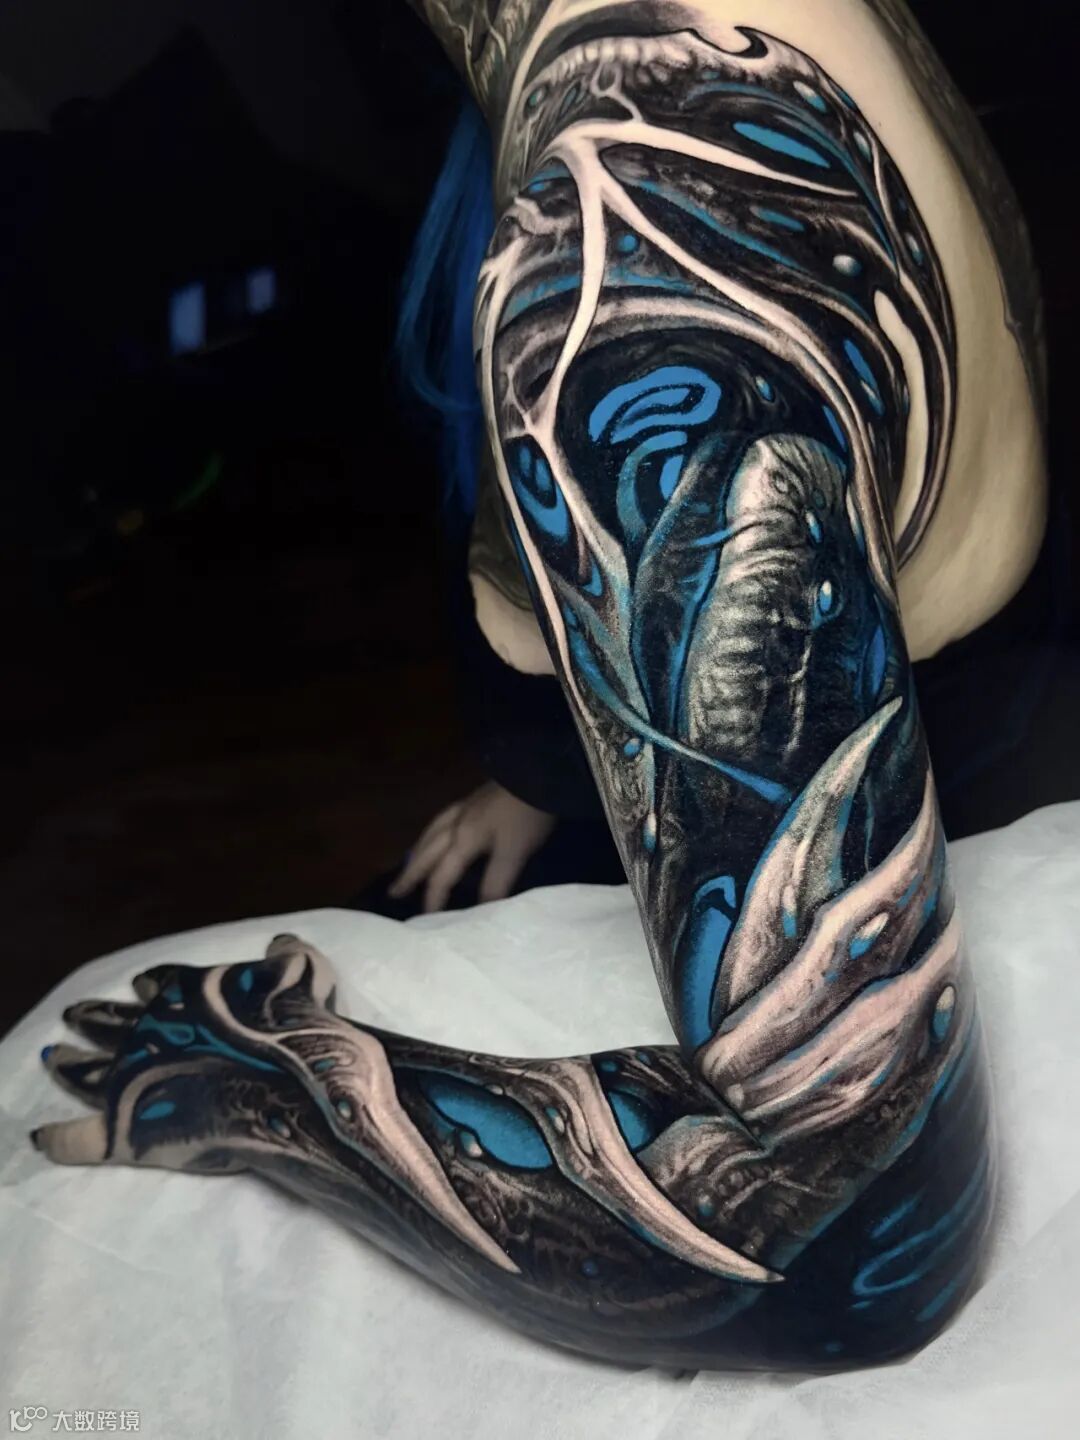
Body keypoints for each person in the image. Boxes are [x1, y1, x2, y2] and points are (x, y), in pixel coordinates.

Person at [32, 0, 1047, 1370]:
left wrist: (278, 1086)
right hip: (890, 797)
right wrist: (540, 758)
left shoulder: (641, 270)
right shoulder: (743, 52)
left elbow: (853, 1238)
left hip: (834, 917)